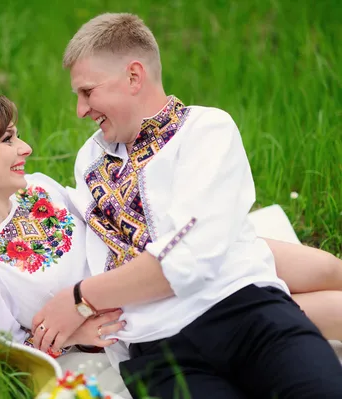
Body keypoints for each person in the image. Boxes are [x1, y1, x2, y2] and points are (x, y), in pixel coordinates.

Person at [28, 13, 342, 399]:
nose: (80, 110)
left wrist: (80, 298)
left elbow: (187, 259)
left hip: (245, 313)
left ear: (133, 76)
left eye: (87, 92)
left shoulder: (206, 130)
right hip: (155, 349)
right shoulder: (88, 160)